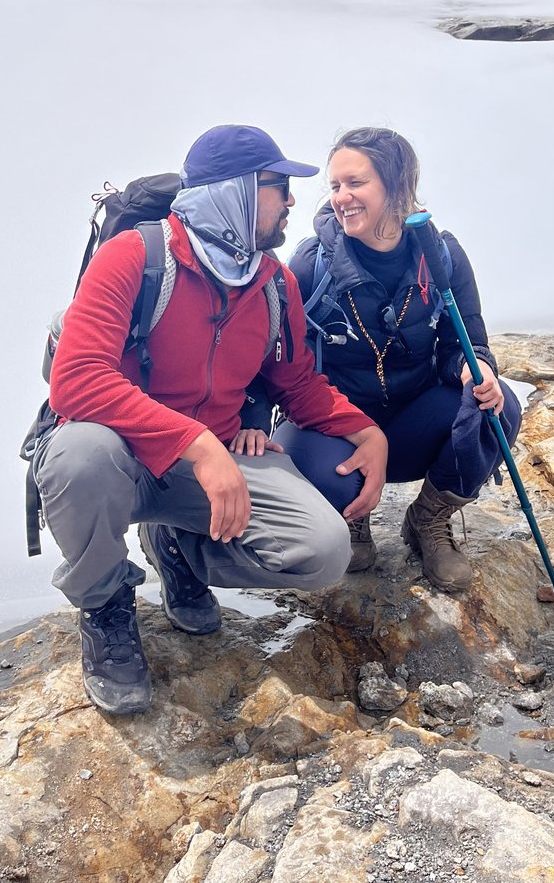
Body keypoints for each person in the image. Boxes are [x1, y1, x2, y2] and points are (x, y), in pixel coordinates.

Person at [34, 124, 388, 715]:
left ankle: (176, 546)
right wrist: (197, 444)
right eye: (279, 186)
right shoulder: (134, 257)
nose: (295, 202)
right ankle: (104, 608)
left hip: (213, 462)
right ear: (237, 192)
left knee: (324, 552)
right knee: (81, 455)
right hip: (126, 460)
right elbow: (76, 381)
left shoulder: (272, 282)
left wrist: (365, 430)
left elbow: (295, 380)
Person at [273, 126, 522, 591]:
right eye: (334, 185)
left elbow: (464, 341)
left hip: (412, 423)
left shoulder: (440, 256)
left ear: (397, 184)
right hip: (336, 428)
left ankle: (428, 520)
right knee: (309, 464)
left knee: (497, 406)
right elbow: (286, 367)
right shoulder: (311, 265)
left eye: (355, 183)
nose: (341, 197)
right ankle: (350, 516)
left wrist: (473, 367)